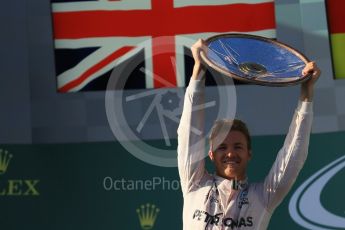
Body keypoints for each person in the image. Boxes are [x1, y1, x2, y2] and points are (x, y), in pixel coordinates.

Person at [177, 39, 321, 229]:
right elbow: (190, 131)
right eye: (222, 147)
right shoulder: (194, 184)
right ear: (210, 154)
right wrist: (199, 69)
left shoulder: (263, 196)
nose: (230, 153)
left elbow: (293, 156)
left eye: (238, 147)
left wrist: (307, 92)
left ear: (249, 154)